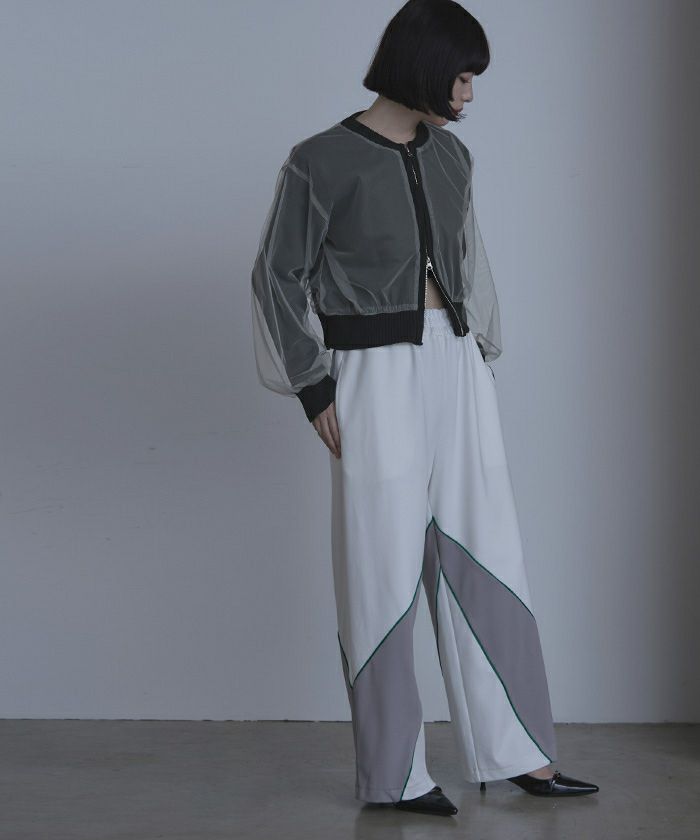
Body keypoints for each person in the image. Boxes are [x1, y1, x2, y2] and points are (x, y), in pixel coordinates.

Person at [250, 0, 598, 818]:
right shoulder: (319, 160)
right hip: (371, 375)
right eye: (462, 77)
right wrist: (314, 387)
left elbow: (469, 264)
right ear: (424, 66)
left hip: (456, 366)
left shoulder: (453, 157)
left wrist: (475, 362)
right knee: (381, 568)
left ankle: (522, 753)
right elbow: (276, 275)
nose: (469, 95)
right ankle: (394, 776)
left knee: (490, 551)